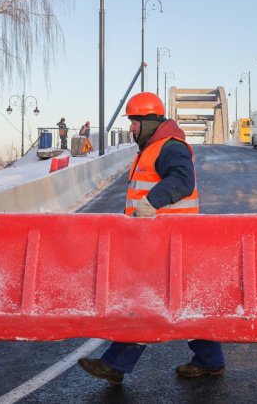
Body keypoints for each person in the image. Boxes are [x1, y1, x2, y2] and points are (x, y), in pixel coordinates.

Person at [77, 92, 224, 385]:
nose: (130, 128)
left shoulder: (170, 148)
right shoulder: (151, 149)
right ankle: (210, 360)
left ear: (149, 121)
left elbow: (183, 179)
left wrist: (152, 202)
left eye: (134, 122)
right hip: (156, 242)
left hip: (170, 242)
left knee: (146, 304)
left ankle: (115, 365)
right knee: (177, 305)